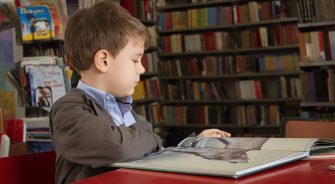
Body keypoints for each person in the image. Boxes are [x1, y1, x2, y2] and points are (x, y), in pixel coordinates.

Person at [49, 1, 231, 184]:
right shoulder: (68, 111)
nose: (142, 69)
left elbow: (149, 149)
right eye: (135, 60)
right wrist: (151, 137)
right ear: (103, 61)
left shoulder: (123, 107)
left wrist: (189, 145)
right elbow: (119, 147)